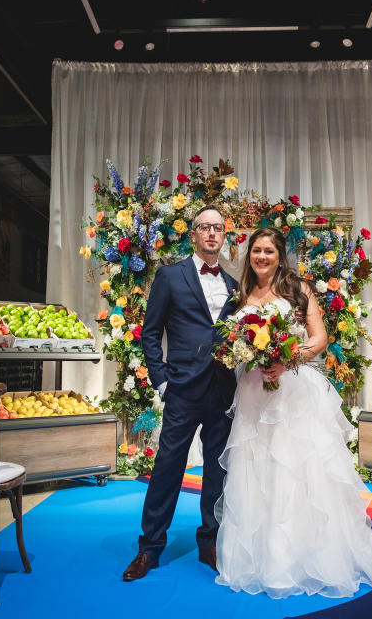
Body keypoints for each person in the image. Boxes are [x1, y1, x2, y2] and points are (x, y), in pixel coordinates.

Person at [214, 227, 372, 599]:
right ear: (250, 256)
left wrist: (287, 359)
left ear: (280, 256)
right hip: (252, 393)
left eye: (269, 251)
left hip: (291, 391)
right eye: (257, 251)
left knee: (295, 470)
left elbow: (319, 337)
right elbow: (236, 340)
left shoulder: (298, 289)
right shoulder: (243, 294)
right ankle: (261, 557)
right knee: (258, 469)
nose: (262, 257)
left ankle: (301, 555)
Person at [122, 204, 239, 582]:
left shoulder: (235, 286)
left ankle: (210, 541)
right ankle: (149, 547)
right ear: (193, 234)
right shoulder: (170, 276)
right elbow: (150, 332)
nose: (211, 233)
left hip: (223, 390)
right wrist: (161, 380)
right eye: (204, 227)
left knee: (216, 471)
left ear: (224, 236)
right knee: (168, 466)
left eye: (217, 228)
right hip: (183, 389)